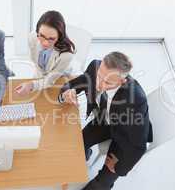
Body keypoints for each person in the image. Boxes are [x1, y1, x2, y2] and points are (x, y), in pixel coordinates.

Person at [58, 52, 153, 190]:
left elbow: (138, 145)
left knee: (101, 182)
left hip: (126, 136)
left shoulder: (136, 101)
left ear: (122, 81)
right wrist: (67, 92)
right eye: (99, 77)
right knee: (78, 142)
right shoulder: (95, 66)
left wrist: (120, 168)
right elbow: (72, 84)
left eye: (108, 82)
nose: (99, 85)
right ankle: (84, 157)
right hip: (105, 119)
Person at [15, 10, 75, 96]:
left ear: (59, 37)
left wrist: (32, 85)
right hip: (40, 74)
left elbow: (50, 80)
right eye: (42, 36)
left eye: (51, 39)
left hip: (59, 78)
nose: (45, 43)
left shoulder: (66, 55)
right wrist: (35, 83)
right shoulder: (33, 37)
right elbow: (36, 64)